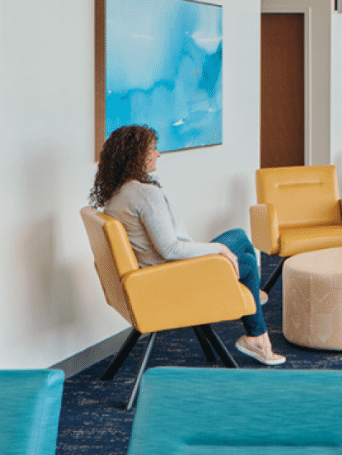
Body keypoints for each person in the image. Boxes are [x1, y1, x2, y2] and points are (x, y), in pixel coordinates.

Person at [90, 125, 285, 365]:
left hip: (156, 272)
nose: (158, 154)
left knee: (239, 237)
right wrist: (220, 250)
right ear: (135, 155)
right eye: (153, 149)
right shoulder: (144, 195)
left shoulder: (116, 195)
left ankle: (254, 306)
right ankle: (257, 333)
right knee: (245, 261)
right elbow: (171, 249)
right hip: (175, 275)